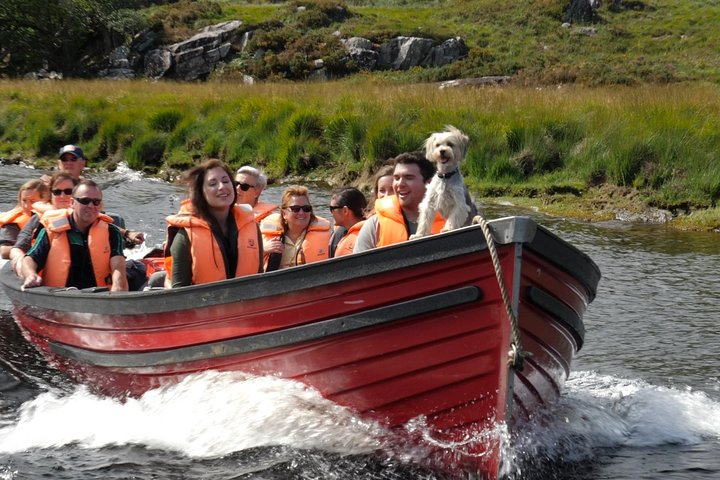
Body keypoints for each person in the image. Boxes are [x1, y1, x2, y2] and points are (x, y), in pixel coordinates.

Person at [165, 159, 263, 288]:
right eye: (212, 183)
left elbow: (261, 278)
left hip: (247, 304)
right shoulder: (184, 237)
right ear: (201, 193)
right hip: (204, 305)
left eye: (226, 181)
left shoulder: (253, 227)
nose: (222, 187)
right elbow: (179, 294)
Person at [20, 180, 128, 292]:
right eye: (85, 201)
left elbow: (118, 267)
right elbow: (30, 259)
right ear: (72, 203)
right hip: (59, 297)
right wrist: (30, 275)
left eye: (96, 202)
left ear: (101, 205)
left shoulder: (112, 232)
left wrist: (117, 293)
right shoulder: (51, 230)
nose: (91, 206)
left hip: (99, 299)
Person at [353, 151, 445, 253]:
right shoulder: (375, 225)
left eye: (409, 177)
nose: (400, 184)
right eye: (396, 178)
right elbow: (358, 267)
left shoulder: (453, 218)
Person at [9, 172, 78, 275]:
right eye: (57, 192)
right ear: (51, 194)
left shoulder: (89, 217)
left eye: (68, 191)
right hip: (46, 284)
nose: (62, 196)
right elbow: (18, 249)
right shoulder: (37, 219)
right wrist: (21, 263)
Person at [261, 185, 331, 271]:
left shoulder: (327, 237)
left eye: (306, 208)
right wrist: (263, 250)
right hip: (276, 282)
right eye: (295, 209)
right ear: (284, 214)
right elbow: (250, 264)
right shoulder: (265, 238)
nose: (301, 213)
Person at [0, 179, 50, 259]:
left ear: (45, 200)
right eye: (24, 201)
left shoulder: (54, 215)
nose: (27, 206)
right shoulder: (13, 222)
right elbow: (4, 251)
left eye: (33, 201)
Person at [328, 187, 367, 258]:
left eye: (332, 209)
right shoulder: (341, 234)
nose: (331, 213)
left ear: (345, 210)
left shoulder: (366, 237)